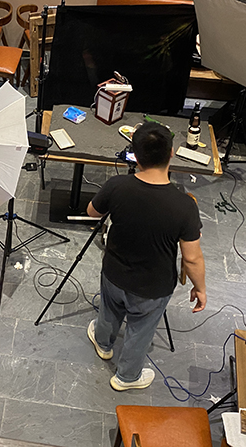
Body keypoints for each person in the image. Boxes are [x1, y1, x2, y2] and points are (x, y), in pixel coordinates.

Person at [86, 122, 207, 391]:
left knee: (109, 310)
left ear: (136, 156)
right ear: (171, 153)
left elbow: (92, 212)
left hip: (114, 272)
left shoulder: (117, 185)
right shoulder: (185, 206)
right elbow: (192, 258)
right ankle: (127, 377)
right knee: (140, 331)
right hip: (153, 287)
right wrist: (200, 288)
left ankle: (103, 344)